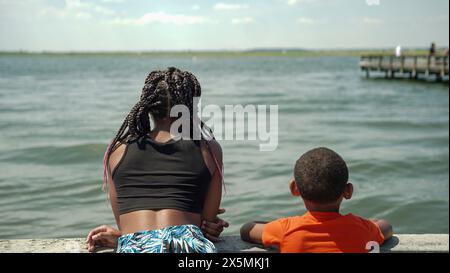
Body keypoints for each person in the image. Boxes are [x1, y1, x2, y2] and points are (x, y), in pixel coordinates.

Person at [86, 67, 228, 253]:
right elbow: (207, 223)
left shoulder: (117, 150)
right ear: (191, 108)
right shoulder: (209, 149)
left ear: (147, 107)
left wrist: (123, 237)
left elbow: (125, 225)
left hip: (135, 246)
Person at [240, 147, 393, 253]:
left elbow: (247, 230)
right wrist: (371, 223)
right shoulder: (363, 229)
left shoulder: (285, 229)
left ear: (294, 189)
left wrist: (273, 225)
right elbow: (386, 227)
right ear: (348, 191)